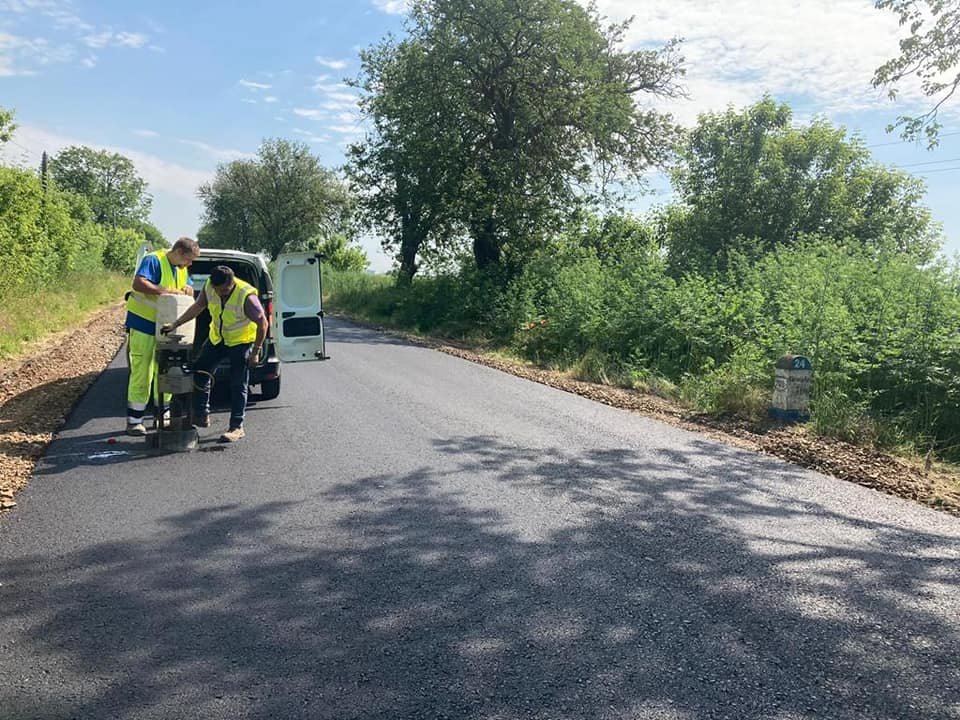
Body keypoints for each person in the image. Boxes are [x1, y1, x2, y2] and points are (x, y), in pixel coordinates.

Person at [161, 265, 268, 443]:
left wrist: (255, 351)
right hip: (217, 339)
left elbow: (262, 323)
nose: (220, 294)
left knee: (238, 384)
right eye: (218, 290)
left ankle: (236, 427)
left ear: (231, 282)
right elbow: (198, 306)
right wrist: (175, 324)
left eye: (224, 290)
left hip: (240, 342)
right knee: (200, 372)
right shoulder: (209, 287)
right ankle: (201, 414)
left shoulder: (246, 295)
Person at [124, 237, 199, 436]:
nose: (190, 264)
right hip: (144, 323)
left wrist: (188, 289)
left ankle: (162, 415)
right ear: (180, 253)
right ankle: (135, 420)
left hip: (166, 326)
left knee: (165, 370)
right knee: (143, 369)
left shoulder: (181, 269)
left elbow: (185, 286)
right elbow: (139, 284)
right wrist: (164, 291)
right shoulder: (154, 260)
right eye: (189, 259)